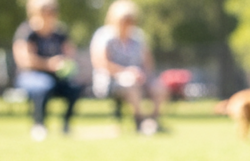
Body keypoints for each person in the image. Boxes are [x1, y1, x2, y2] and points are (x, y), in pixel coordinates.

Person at [91, 0, 168, 135]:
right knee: (130, 83)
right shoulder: (104, 36)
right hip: (111, 80)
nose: (127, 23)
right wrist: (125, 72)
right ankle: (139, 120)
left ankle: (154, 120)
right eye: (124, 19)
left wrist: (143, 74)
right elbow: (101, 63)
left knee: (160, 87)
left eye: (131, 19)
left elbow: (148, 62)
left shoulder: (138, 36)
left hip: (138, 78)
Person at [13, 0, 81, 141]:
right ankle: (39, 125)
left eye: (53, 11)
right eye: (46, 11)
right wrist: (48, 64)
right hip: (30, 75)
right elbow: (24, 60)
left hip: (56, 76)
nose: (50, 14)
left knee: (75, 88)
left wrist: (64, 63)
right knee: (43, 86)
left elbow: (70, 53)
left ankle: (66, 125)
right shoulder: (27, 32)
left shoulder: (60, 32)